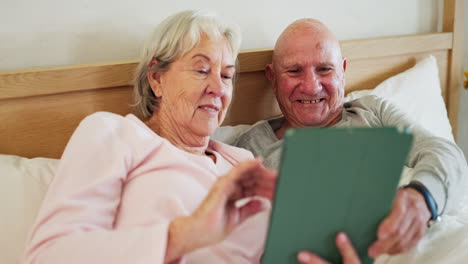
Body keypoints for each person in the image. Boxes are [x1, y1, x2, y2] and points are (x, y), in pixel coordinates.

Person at [23, 10, 279, 264]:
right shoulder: (115, 135)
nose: (219, 88)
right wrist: (187, 233)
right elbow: (50, 255)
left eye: (226, 76)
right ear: (157, 78)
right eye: (201, 70)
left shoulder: (241, 162)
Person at [214, 18, 467, 262]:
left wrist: (422, 199)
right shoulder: (249, 148)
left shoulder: (373, 111)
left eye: (324, 69)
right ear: (272, 77)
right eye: (294, 71)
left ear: (343, 70)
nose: (311, 87)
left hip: (435, 238)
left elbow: (445, 153)